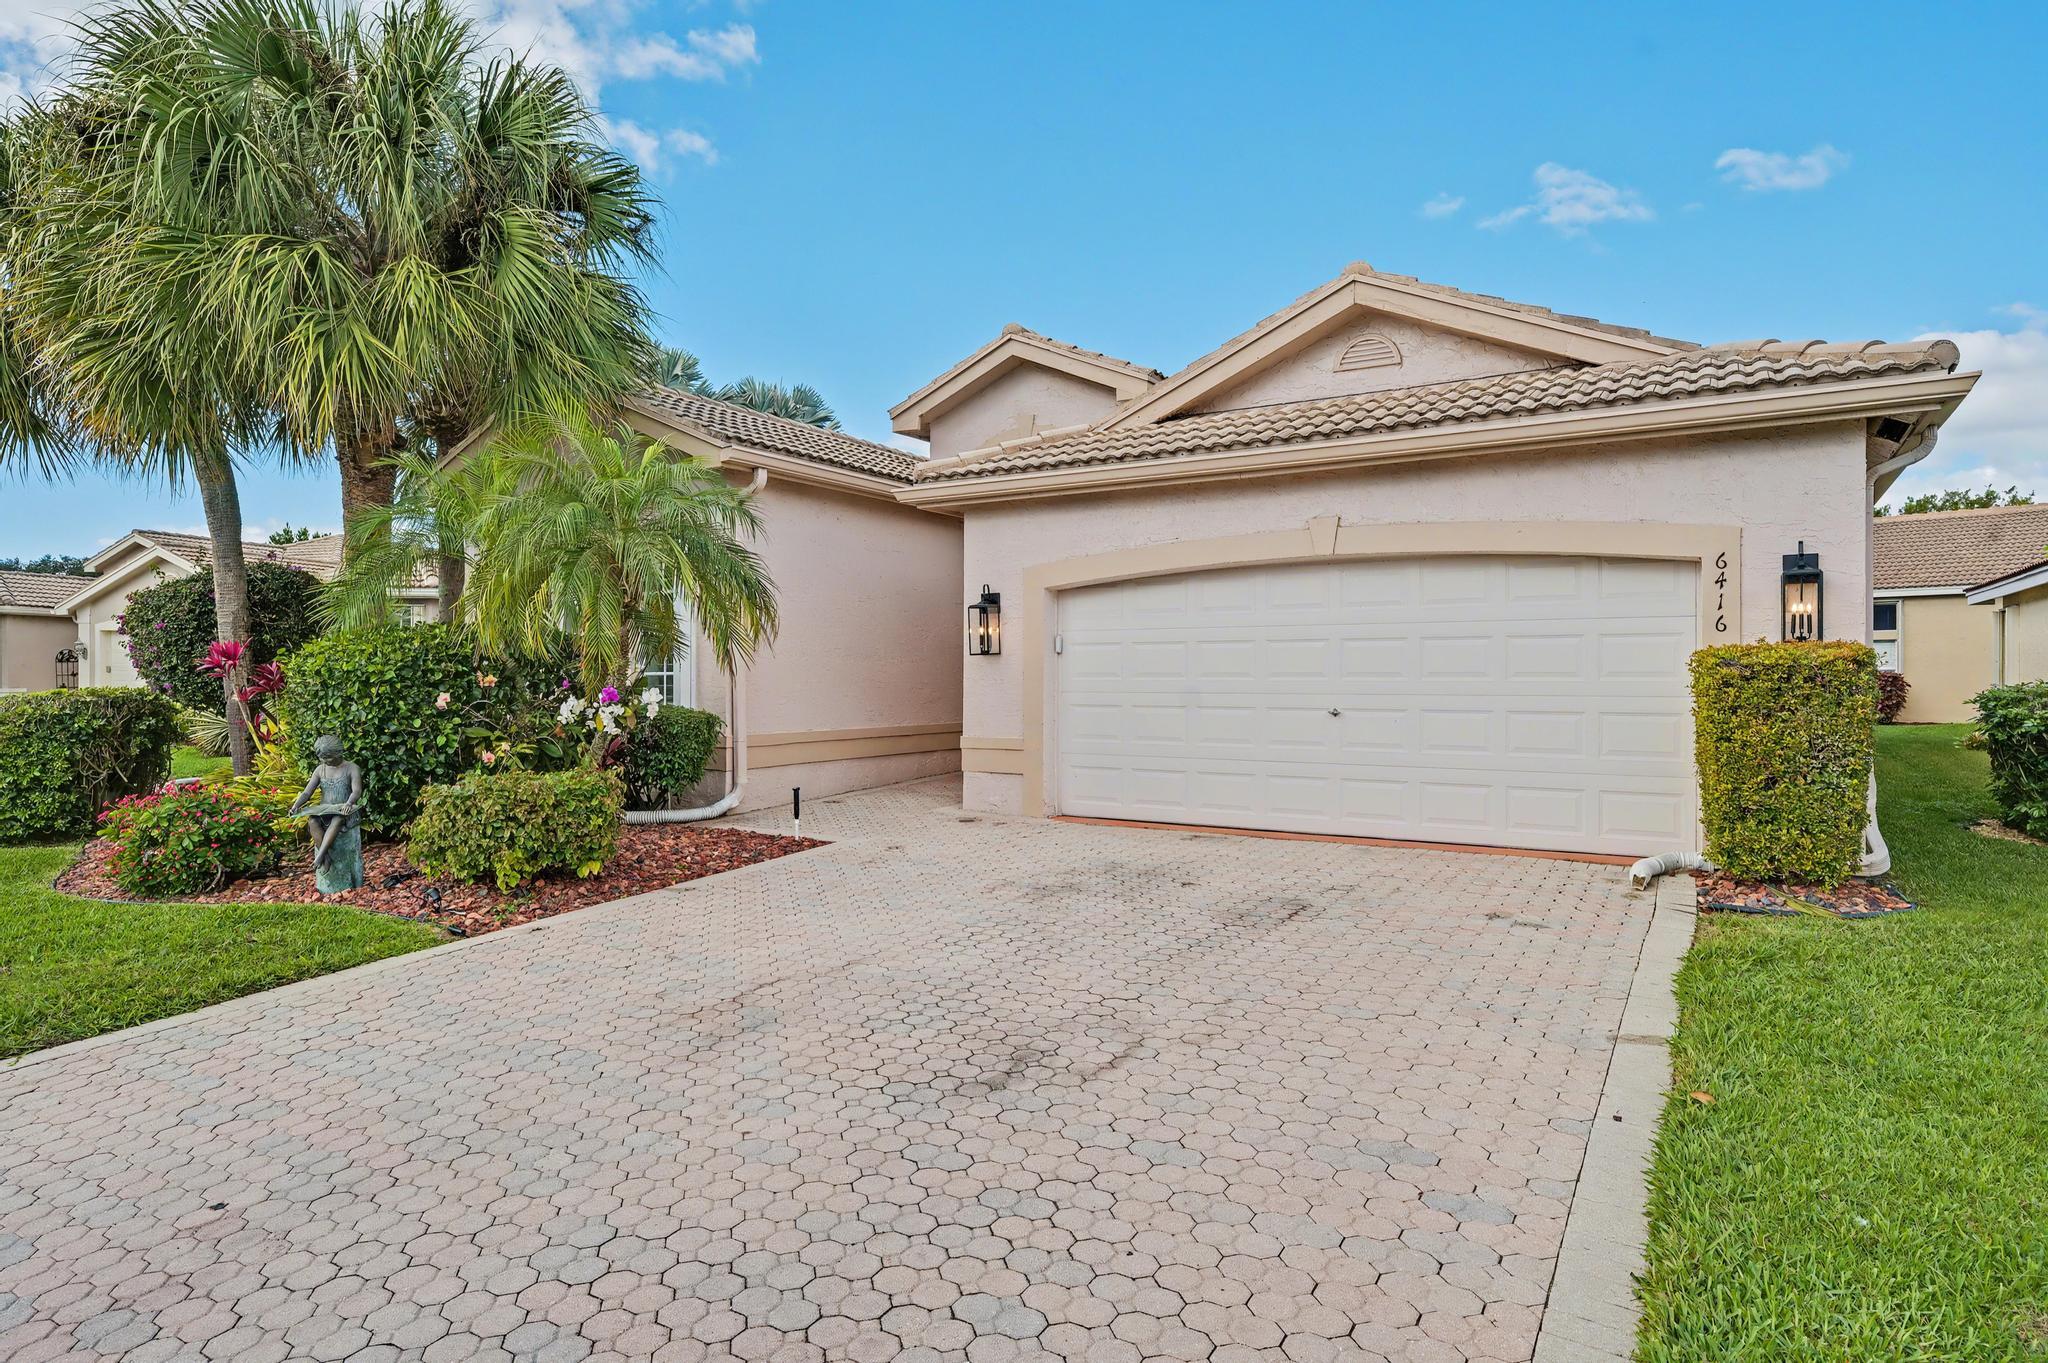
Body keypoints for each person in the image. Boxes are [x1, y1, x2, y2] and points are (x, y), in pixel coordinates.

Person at [288, 735, 365, 893]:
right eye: (322, 758)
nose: (325, 762)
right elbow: (307, 792)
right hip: (324, 811)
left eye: (328, 758)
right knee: (312, 821)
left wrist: (348, 803)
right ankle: (326, 857)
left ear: (339, 753)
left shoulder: (351, 768)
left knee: (337, 820)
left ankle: (320, 856)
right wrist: (296, 805)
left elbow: (356, 791)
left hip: (345, 811)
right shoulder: (320, 770)